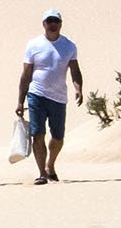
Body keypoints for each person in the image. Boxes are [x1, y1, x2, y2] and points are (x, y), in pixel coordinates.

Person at [15, 9, 83, 185]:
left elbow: (75, 70)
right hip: (37, 94)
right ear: (43, 24)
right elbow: (26, 74)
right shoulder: (33, 45)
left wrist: (78, 88)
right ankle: (41, 173)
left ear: (60, 24)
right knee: (37, 134)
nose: (53, 24)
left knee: (58, 137)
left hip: (59, 97)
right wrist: (20, 101)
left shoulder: (69, 46)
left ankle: (50, 165)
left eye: (56, 21)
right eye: (49, 21)